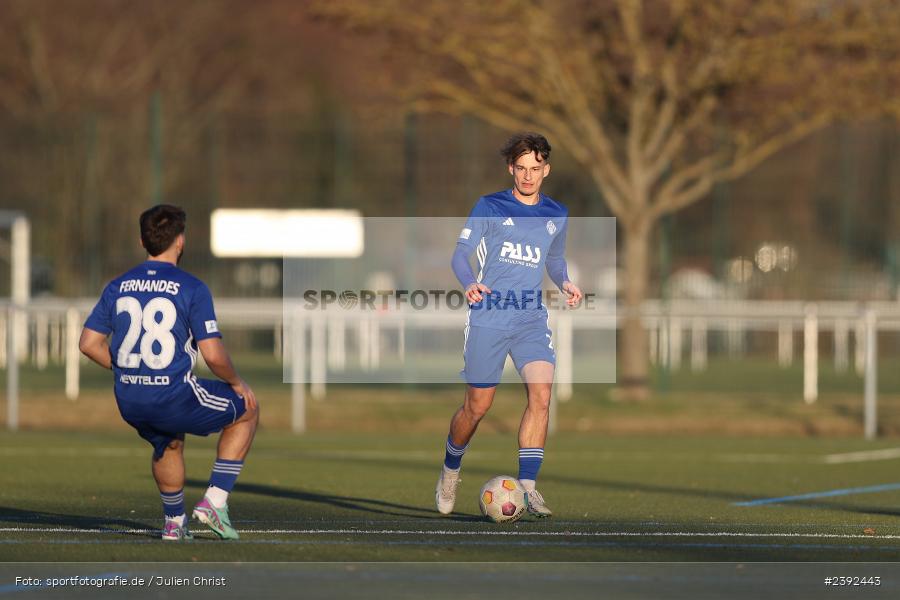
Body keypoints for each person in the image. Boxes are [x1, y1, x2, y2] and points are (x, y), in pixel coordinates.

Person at [79, 204, 259, 541]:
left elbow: (88, 343)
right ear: (180, 240)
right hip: (173, 395)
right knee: (247, 409)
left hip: (130, 398)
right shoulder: (192, 287)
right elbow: (213, 354)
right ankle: (214, 503)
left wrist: (128, 370)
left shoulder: (117, 286)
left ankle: (175, 522)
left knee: (168, 443)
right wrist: (237, 382)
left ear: (142, 241)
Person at [436, 132, 583, 517]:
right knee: (477, 407)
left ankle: (529, 488)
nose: (528, 176)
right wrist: (470, 285)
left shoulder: (557, 213)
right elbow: (460, 256)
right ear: (511, 169)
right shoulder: (489, 206)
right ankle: (451, 469)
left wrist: (564, 280)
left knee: (542, 395)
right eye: (521, 168)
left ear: (546, 170)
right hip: (490, 316)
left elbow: (554, 259)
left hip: (531, 318)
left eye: (535, 169)